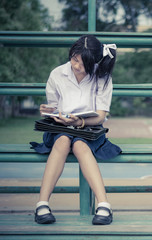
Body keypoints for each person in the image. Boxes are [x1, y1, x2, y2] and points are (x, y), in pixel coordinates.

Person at [30, 35, 122, 225]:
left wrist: (80, 122)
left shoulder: (103, 77)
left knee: (80, 145)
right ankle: (42, 204)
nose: (76, 66)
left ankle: (104, 205)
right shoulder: (57, 74)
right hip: (60, 129)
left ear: (93, 62)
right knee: (63, 141)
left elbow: (101, 115)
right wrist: (52, 113)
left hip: (89, 130)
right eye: (74, 59)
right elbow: (53, 107)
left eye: (82, 63)